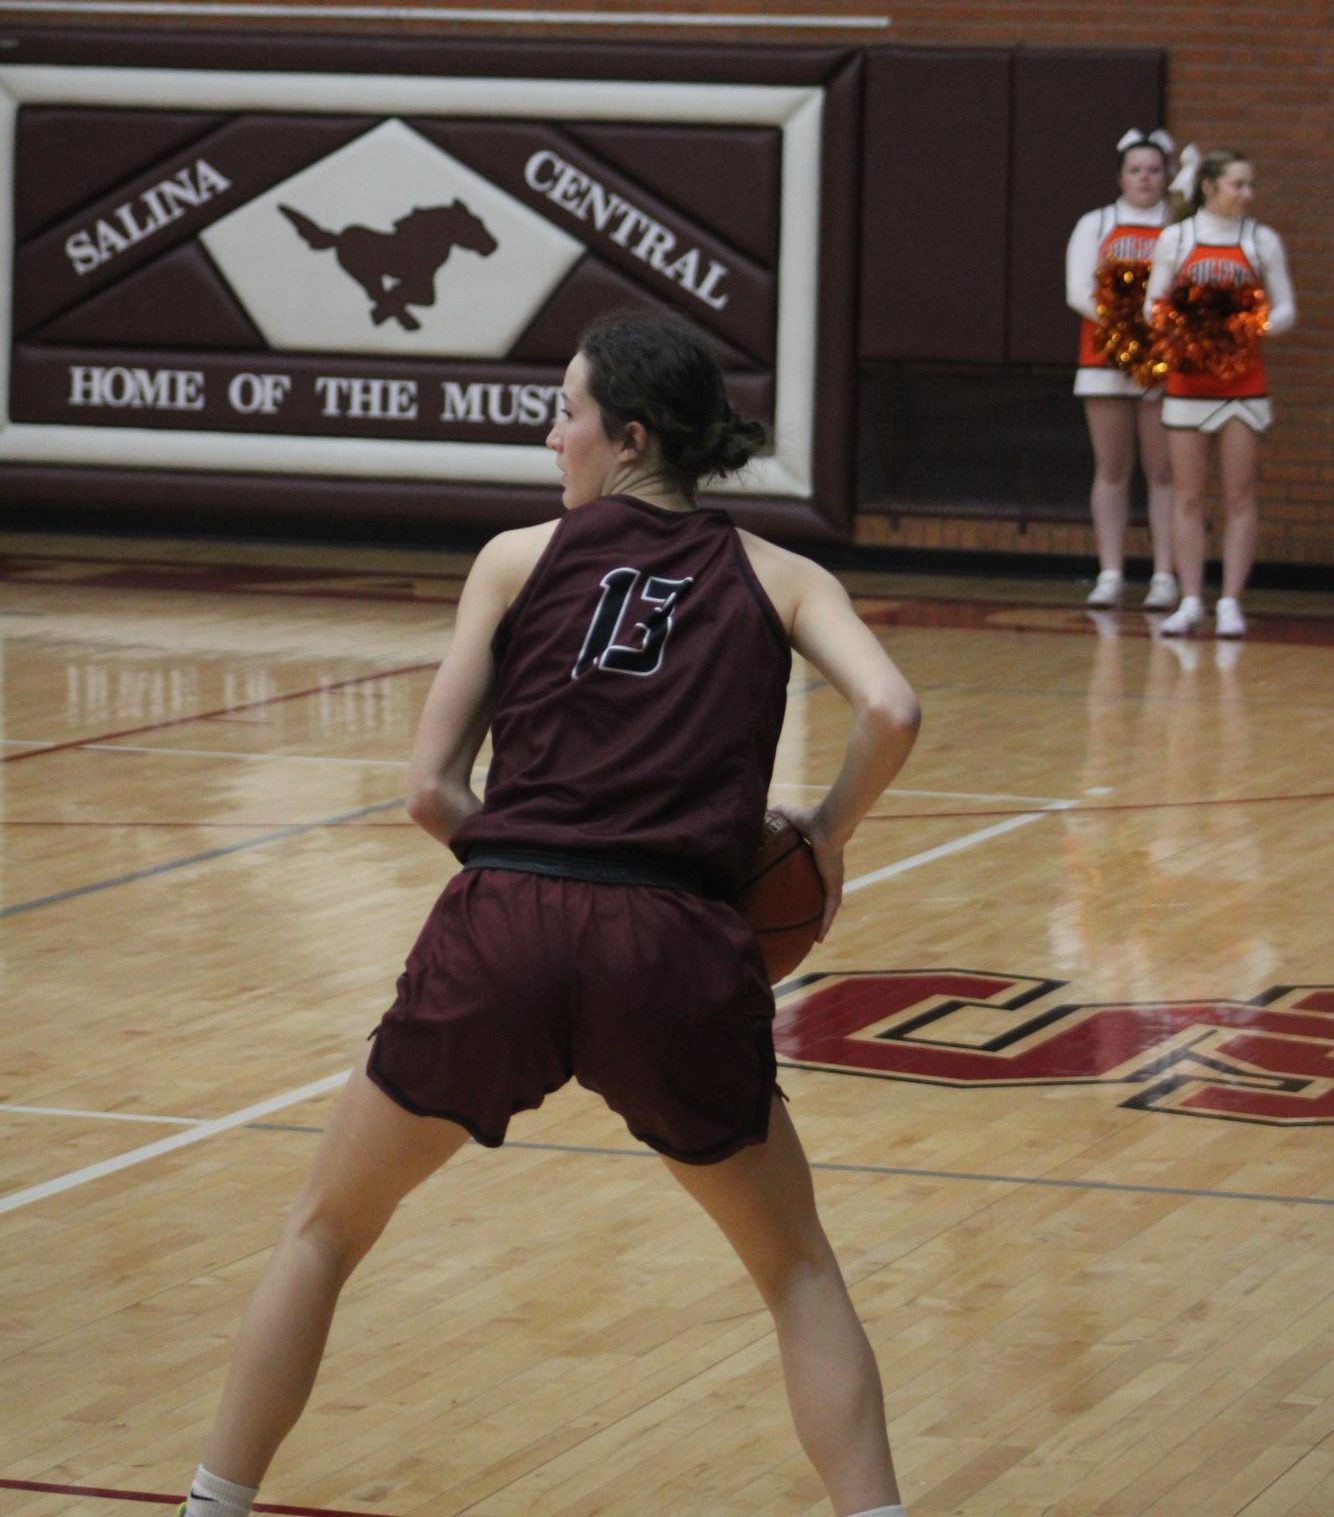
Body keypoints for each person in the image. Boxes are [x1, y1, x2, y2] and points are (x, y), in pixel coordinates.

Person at [172, 311, 922, 1517]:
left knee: (321, 1228)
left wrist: (533, 865)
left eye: (563, 411)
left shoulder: (516, 558)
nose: (548, 434)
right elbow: (891, 708)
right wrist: (823, 838)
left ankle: (211, 1504)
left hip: (504, 921)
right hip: (674, 942)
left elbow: (427, 789)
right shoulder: (783, 576)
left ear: (625, 438)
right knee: (793, 1269)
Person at [1147, 148, 1297, 637]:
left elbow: (1287, 310)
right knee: (1187, 497)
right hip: (1189, 385)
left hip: (1243, 386)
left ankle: (1230, 601)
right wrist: (1191, 328)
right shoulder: (1177, 237)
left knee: (1239, 495)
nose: (1248, 194)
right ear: (1209, 187)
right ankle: (1190, 600)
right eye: (1239, 184)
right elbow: (1154, 306)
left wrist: (1244, 327)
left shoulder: (1261, 240)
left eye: (1250, 185)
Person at [1065, 128, 1178, 610]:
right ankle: (1110, 572)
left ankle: (1165, 576)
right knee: (1111, 468)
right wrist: (1129, 335)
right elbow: (1077, 292)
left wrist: (1155, 338)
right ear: (1120, 175)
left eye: (1154, 170)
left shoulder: (1179, 223)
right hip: (1104, 358)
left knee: (1163, 471)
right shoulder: (1096, 222)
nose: (1144, 178)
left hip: (1163, 361)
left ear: (1166, 175)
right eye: (1135, 170)